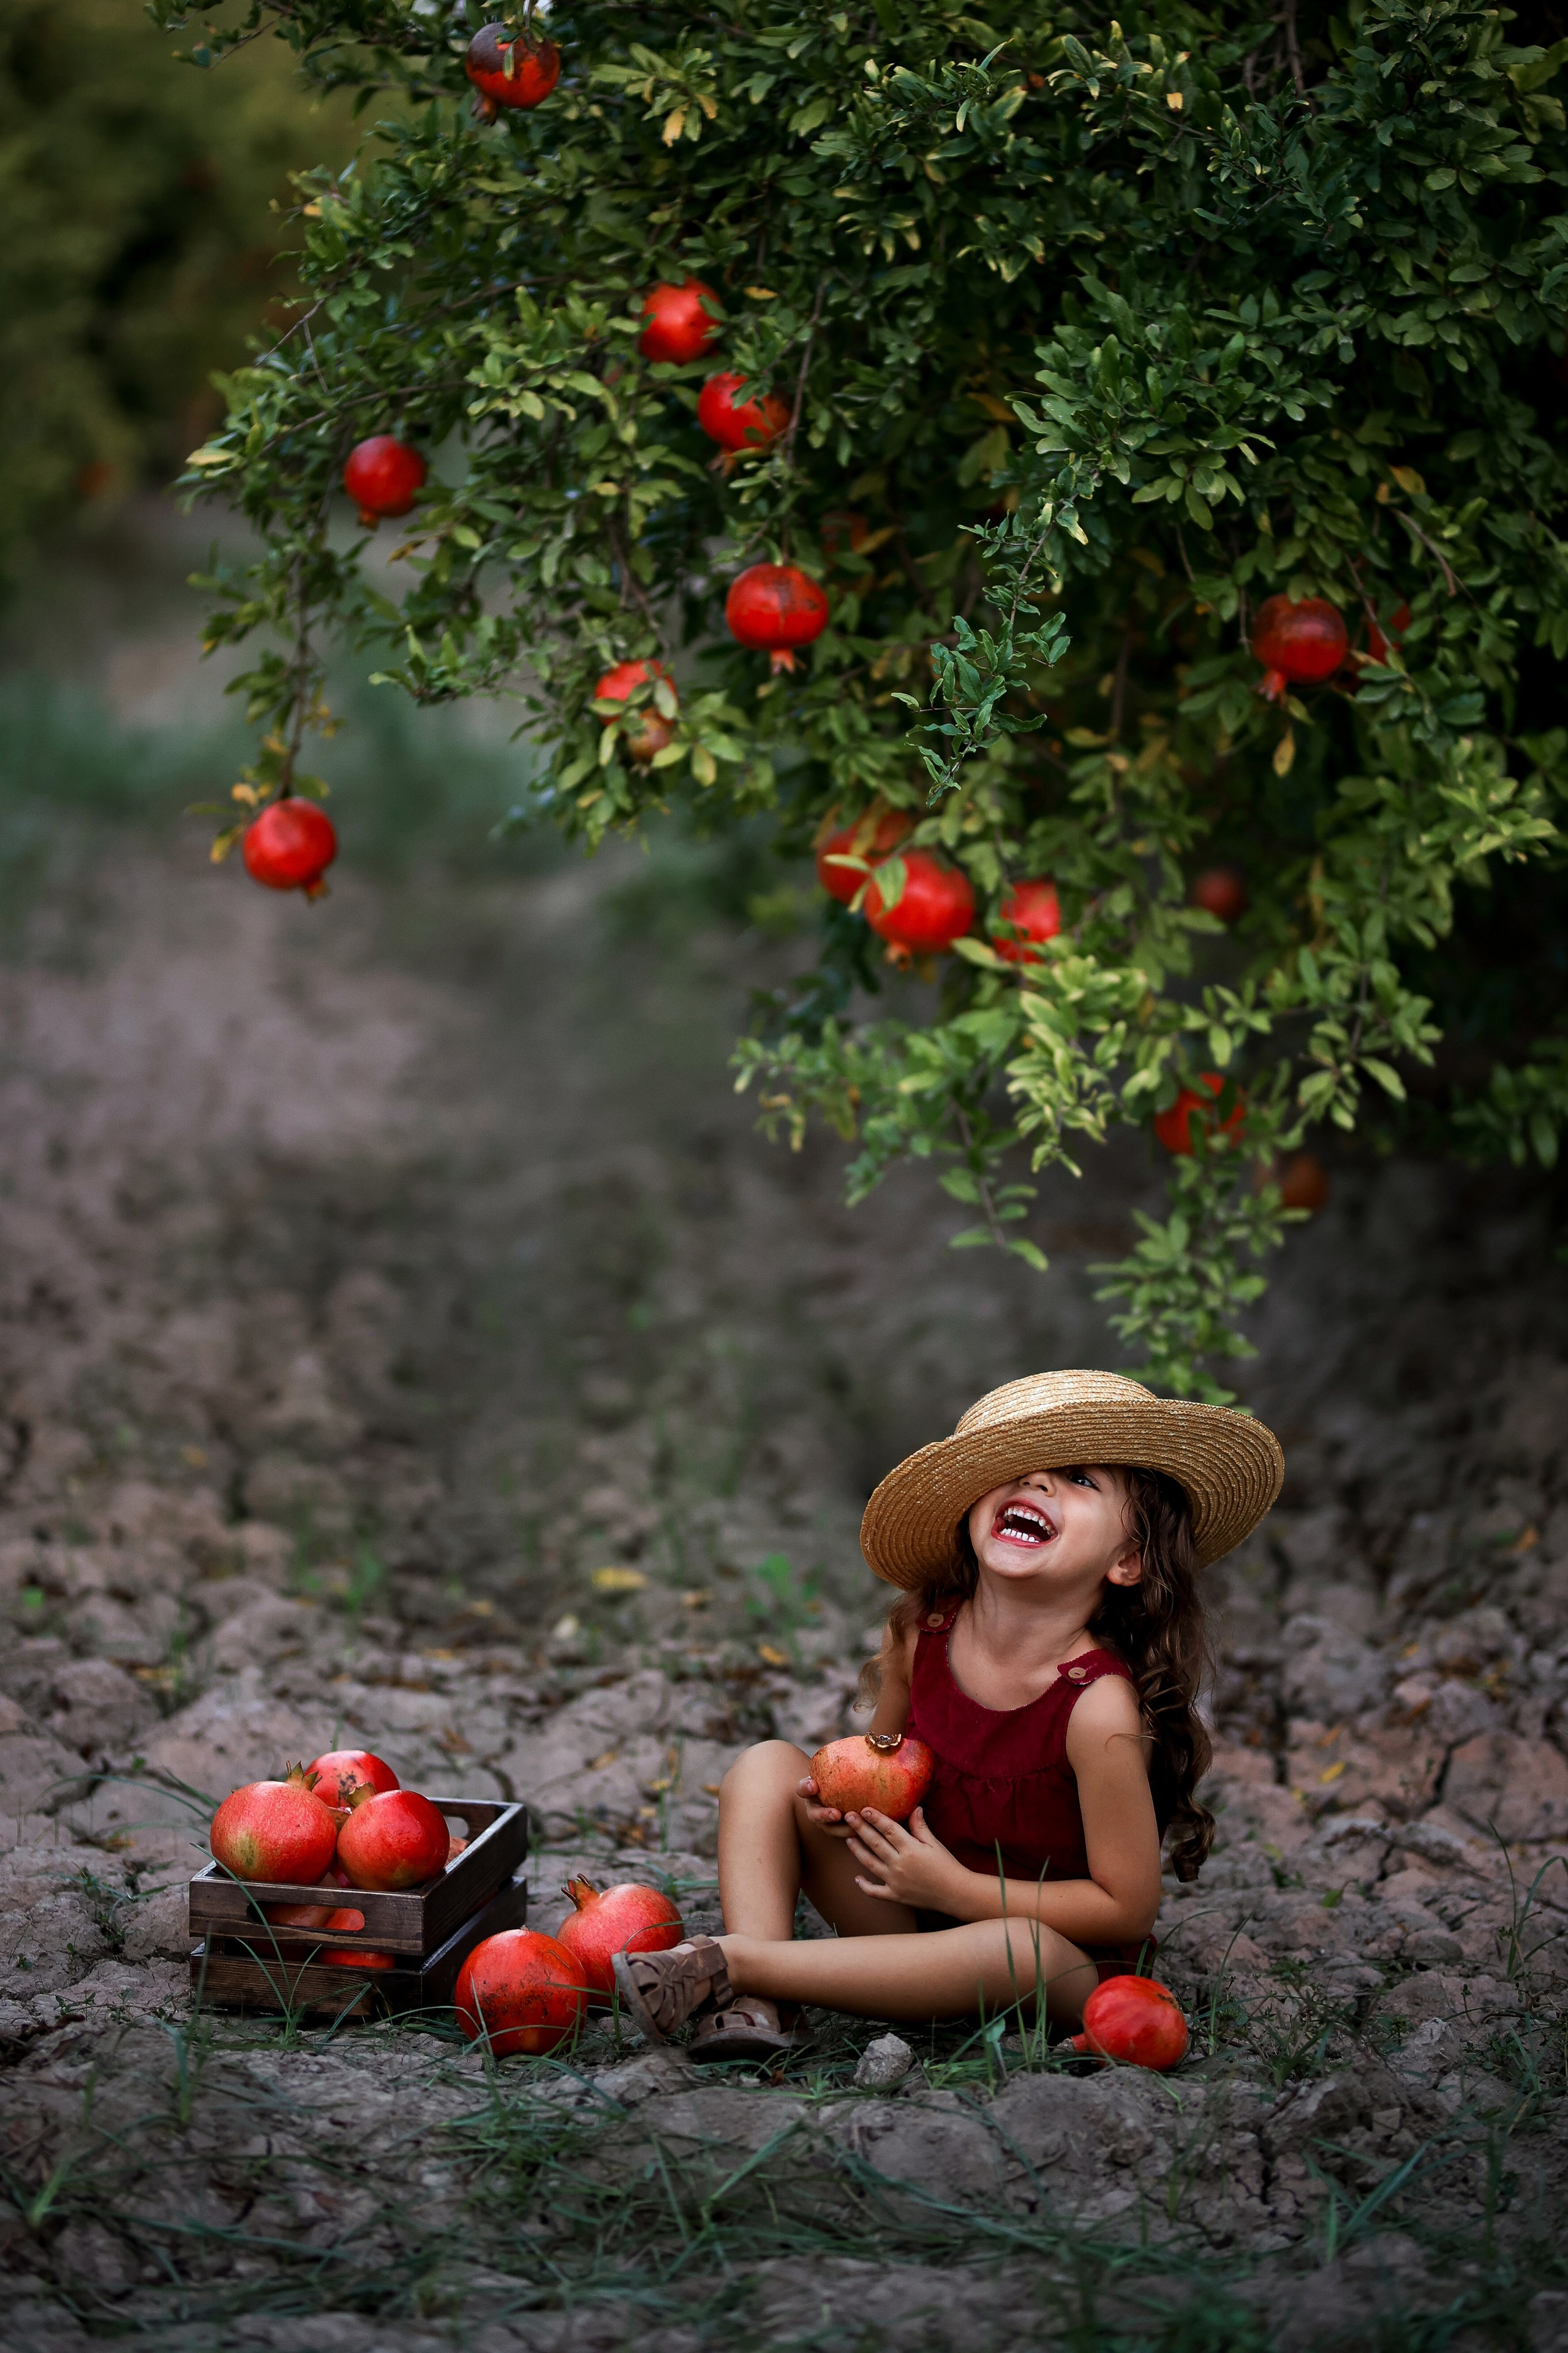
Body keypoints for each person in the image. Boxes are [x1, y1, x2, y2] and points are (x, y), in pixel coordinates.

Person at [614, 1368, 1283, 2060]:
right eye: (1016, 1471)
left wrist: (959, 1890)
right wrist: (839, 1805)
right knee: (764, 1767)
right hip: (911, 1914)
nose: (1038, 1483)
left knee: (1009, 1950)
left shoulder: (1096, 1705)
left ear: (1128, 1560)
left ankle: (737, 1963)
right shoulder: (921, 1632)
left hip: (1053, 1960)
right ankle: (762, 2005)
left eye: (1080, 1477)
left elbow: (1126, 1907)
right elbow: (886, 1767)